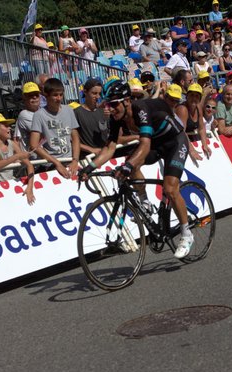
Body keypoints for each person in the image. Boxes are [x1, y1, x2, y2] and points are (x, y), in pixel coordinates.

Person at [78, 81, 198, 259]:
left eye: (113, 104)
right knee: (130, 162)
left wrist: (128, 166)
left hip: (175, 142)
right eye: (107, 104)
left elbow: (144, 144)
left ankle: (187, 234)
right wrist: (90, 167)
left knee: (170, 189)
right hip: (157, 143)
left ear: (126, 101)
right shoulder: (116, 117)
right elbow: (110, 148)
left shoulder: (140, 109)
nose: (110, 109)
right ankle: (145, 203)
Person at [29, 78, 81, 179]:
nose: (59, 98)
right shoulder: (39, 115)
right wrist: (56, 163)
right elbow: (33, 145)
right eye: (55, 95)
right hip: (51, 164)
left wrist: (75, 160)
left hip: (70, 161)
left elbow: (75, 138)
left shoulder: (69, 110)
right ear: (46, 95)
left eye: (61, 95)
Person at [0, 113, 35, 204]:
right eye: (6, 126)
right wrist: (16, 157)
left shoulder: (11, 143)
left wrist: (30, 187)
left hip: (9, 185)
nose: (9, 128)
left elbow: (29, 165)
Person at [75, 79, 111, 157]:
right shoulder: (76, 113)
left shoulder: (103, 112)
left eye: (99, 94)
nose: (97, 97)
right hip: (87, 158)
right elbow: (71, 140)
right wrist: (91, 150)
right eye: (94, 93)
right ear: (85, 92)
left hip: (104, 156)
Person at [175, 83, 211, 158]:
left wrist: (205, 144)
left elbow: (201, 128)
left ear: (200, 99)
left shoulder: (198, 107)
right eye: (191, 95)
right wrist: (191, 150)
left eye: (197, 96)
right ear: (187, 96)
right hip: (175, 140)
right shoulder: (182, 109)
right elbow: (182, 132)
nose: (194, 98)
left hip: (187, 138)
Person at [14, 82, 41, 155]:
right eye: (30, 95)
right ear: (24, 98)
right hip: (36, 161)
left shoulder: (42, 112)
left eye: (36, 95)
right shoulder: (24, 114)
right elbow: (45, 131)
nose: (35, 97)